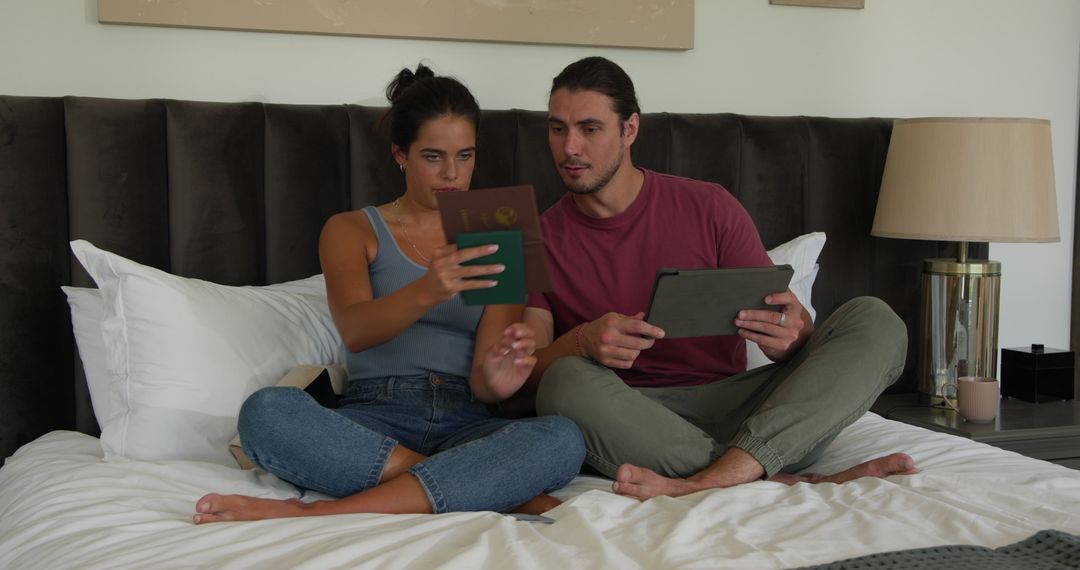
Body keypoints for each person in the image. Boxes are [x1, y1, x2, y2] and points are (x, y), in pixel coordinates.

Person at [510, 56, 917, 501]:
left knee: (874, 319)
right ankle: (766, 474)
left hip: (748, 408)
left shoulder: (709, 206)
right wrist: (584, 341)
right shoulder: (534, 238)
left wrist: (793, 334)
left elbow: (789, 328)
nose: (570, 147)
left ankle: (712, 480)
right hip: (633, 420)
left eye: (590, 129)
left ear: (629, 130)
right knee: (563, 381)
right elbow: (526, 378)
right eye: (557, 129)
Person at [193, 64, 585, 524]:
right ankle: (486, 487)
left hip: (468, 419)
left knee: (562, 438)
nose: (452, 174)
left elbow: (485, 383)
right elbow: (357, 330)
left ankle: (313, 513)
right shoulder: (352, 229)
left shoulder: (497, 230)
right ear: (401, 154)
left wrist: (499, 376)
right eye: (433, 157)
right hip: (375, 418)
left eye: (465, 156)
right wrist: (428, 288)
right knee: (266, 412)